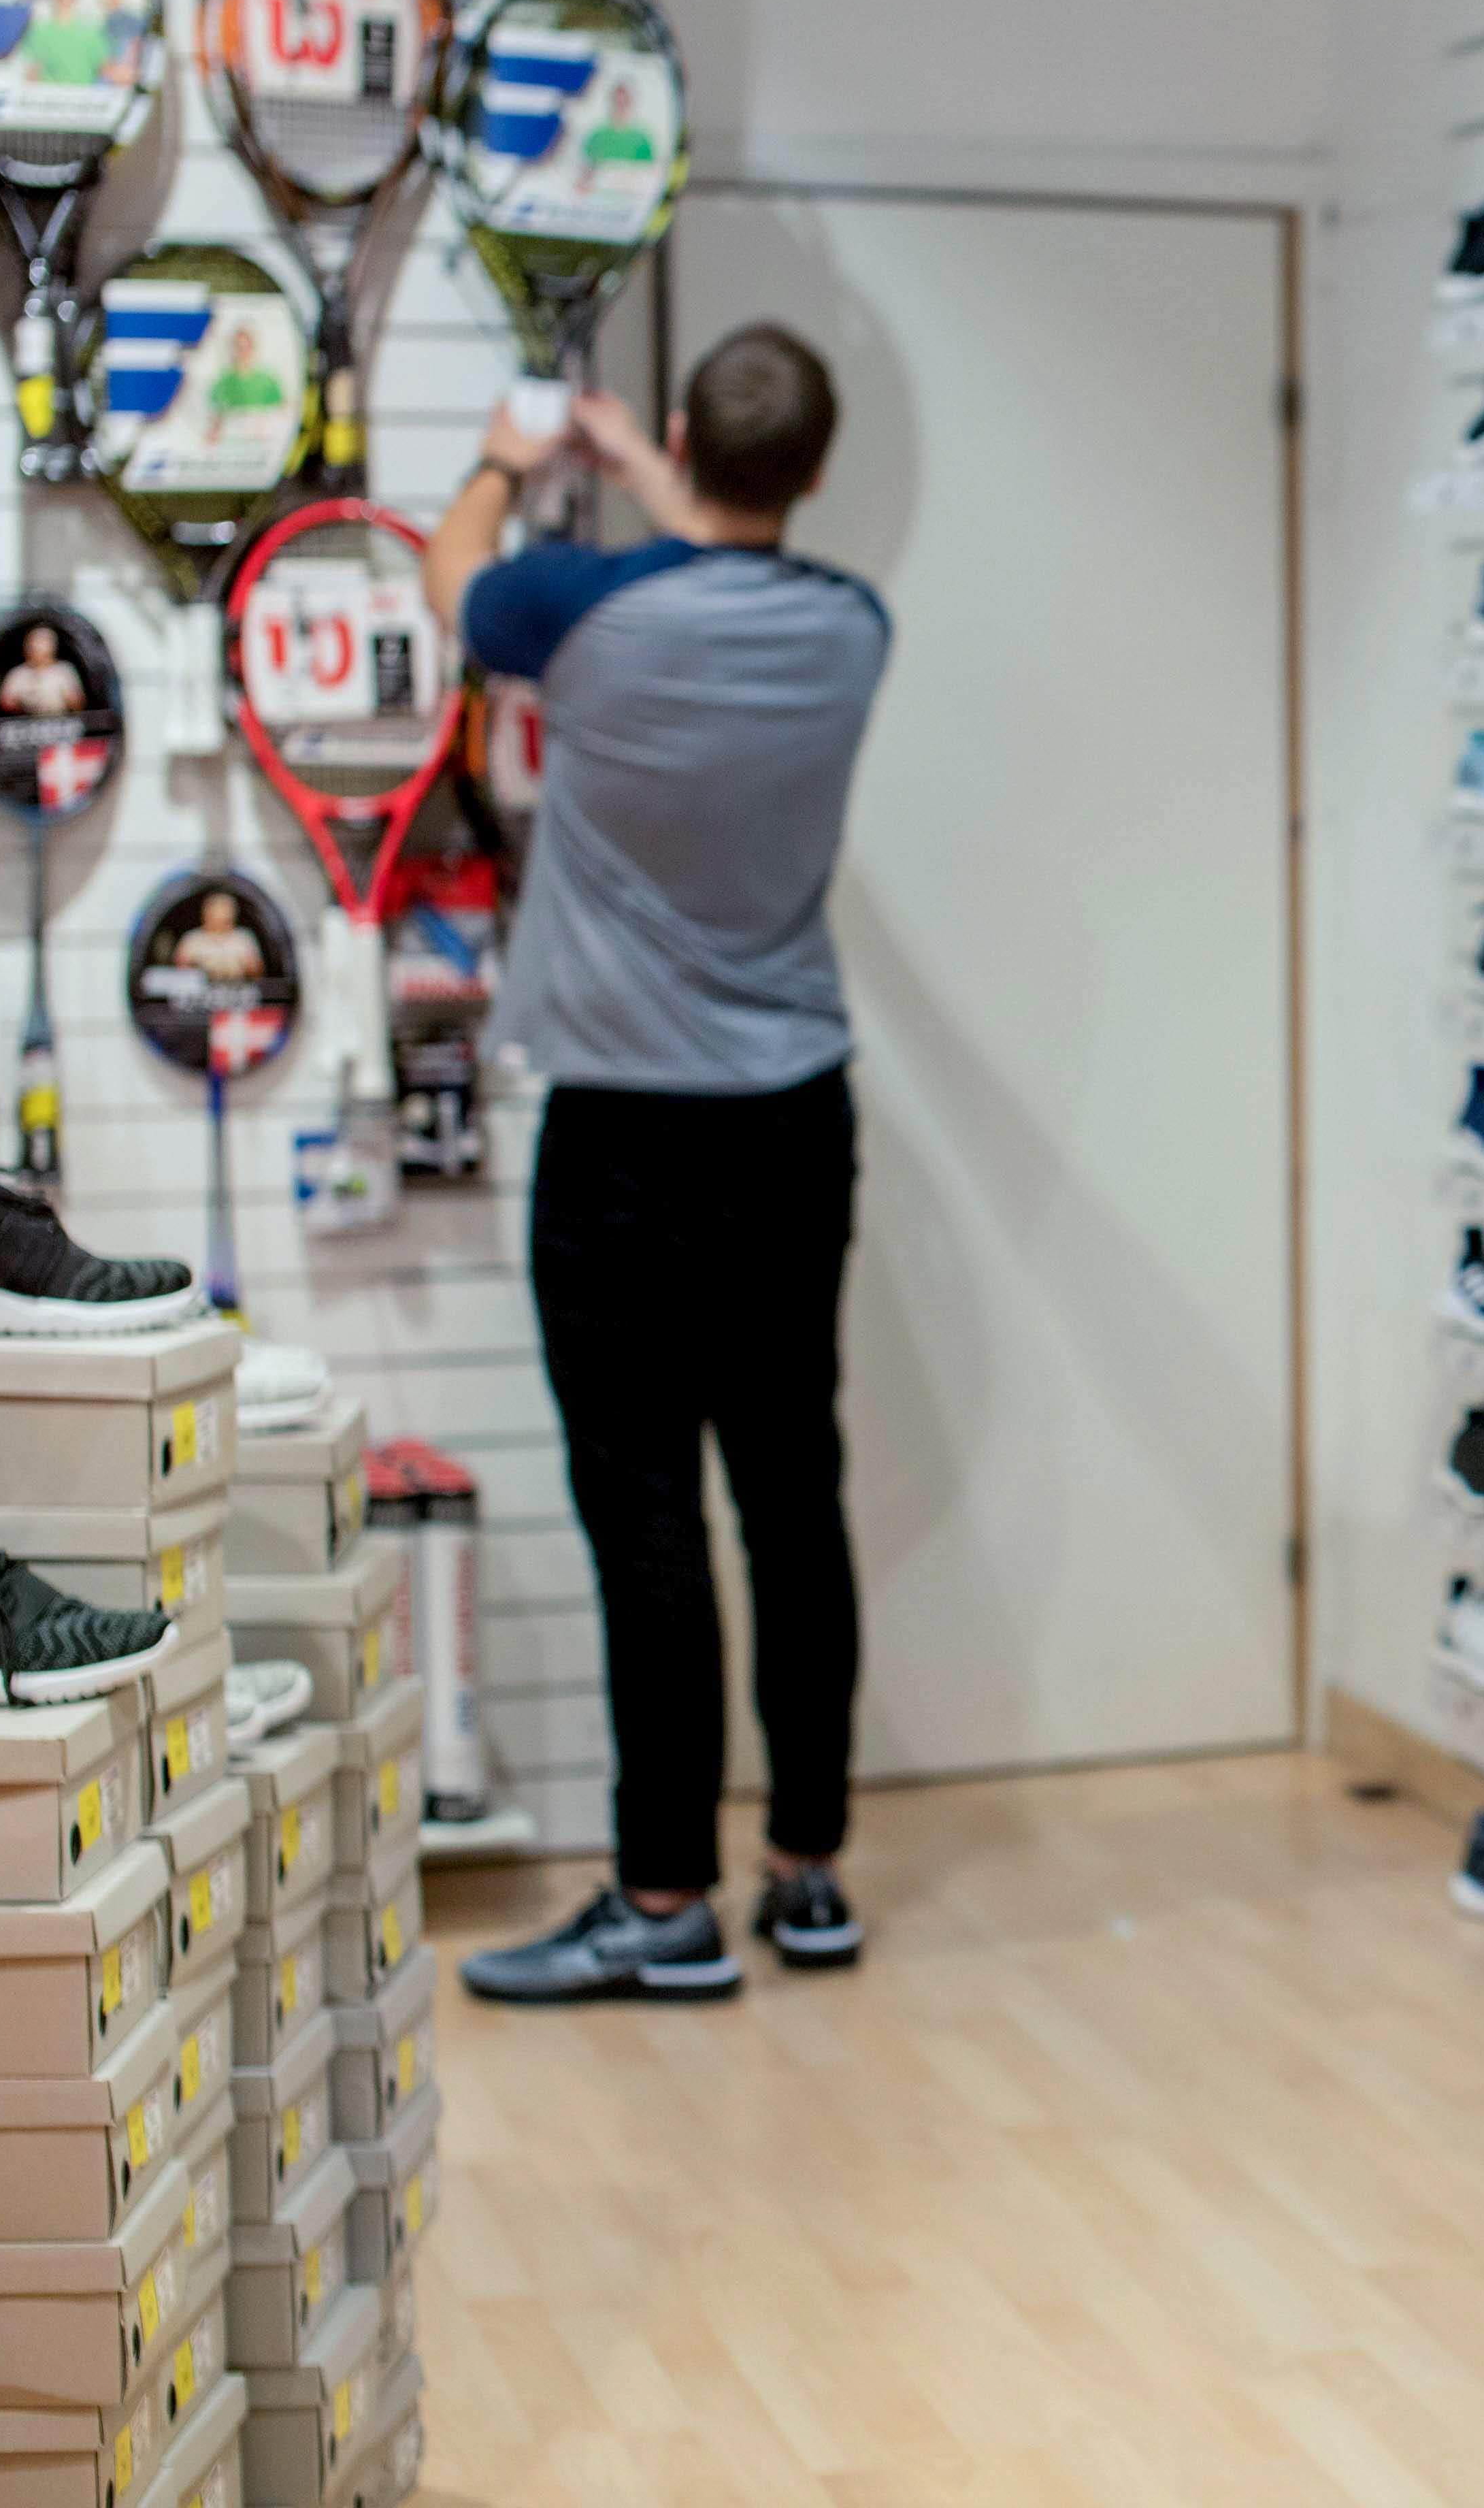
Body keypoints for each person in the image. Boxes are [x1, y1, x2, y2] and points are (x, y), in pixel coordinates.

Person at [425, 323, 893, 2006]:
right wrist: (646, 465)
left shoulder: (578, 610)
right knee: (791, 1499)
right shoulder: (853, 626)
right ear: (817, 471)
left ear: (685, 437)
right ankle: (809, 1873)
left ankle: (662, 1900)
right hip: (793, 1121)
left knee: (646, 1521)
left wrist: (506, 460)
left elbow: (458, 584)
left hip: (624, 1133)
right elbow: (724, 550)